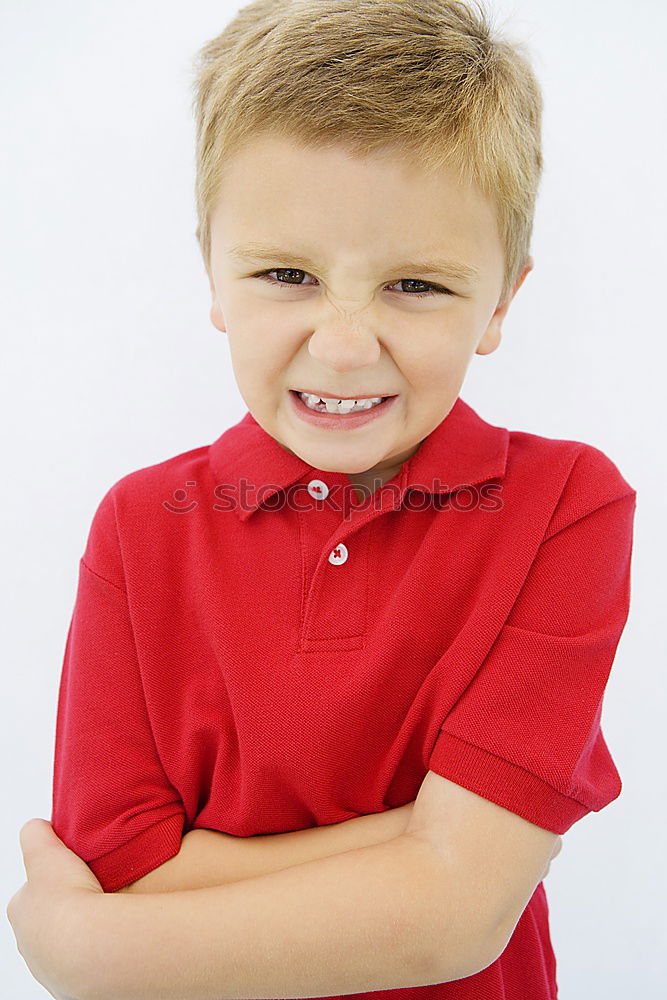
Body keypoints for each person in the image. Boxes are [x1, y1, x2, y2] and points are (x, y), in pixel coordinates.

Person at [8, 1, 637, 998]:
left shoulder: (567, 506)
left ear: (501, 303)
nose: (344, 344)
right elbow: (125, 866)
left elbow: (456, 924)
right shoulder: (137, 525)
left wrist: (89, 953)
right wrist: (430, 842)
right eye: (286, 273)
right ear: (213, 274)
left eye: (416, 286)